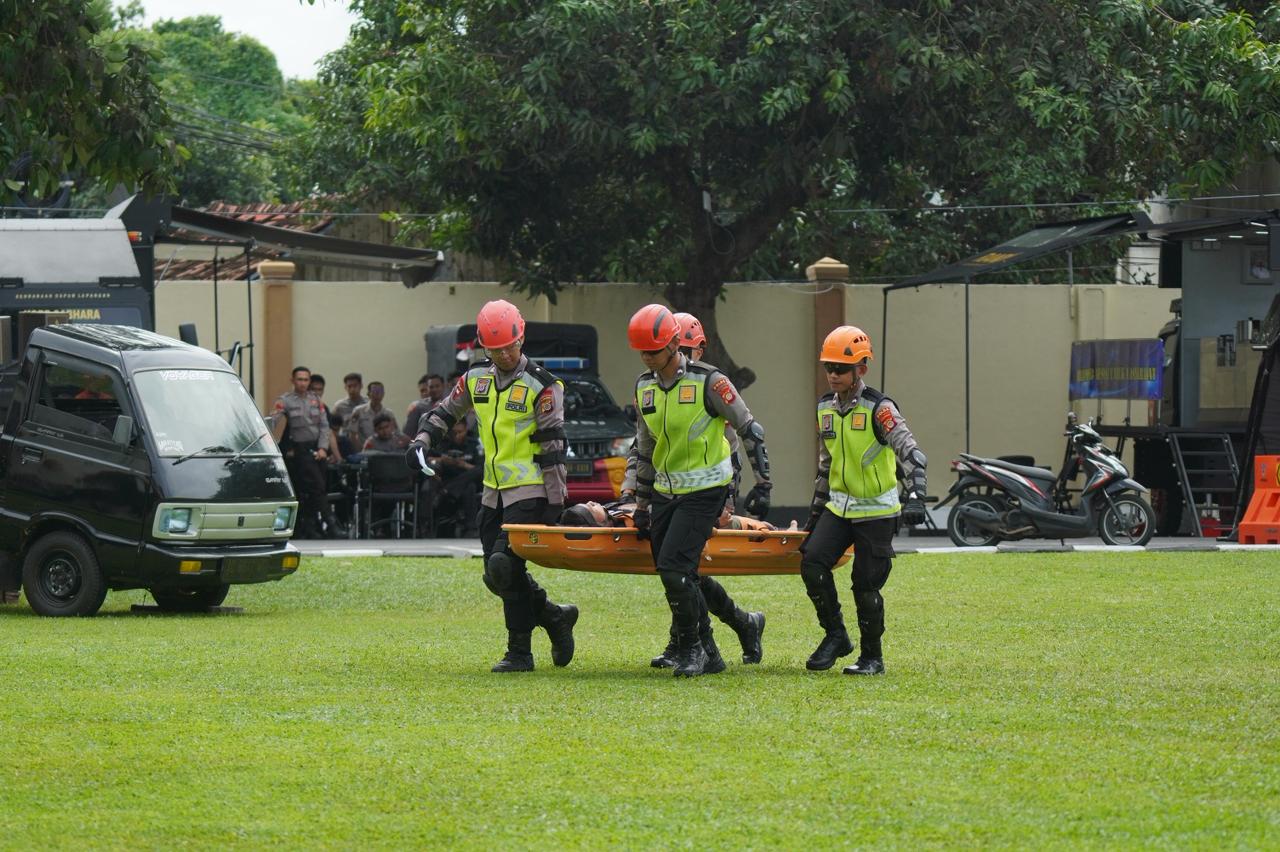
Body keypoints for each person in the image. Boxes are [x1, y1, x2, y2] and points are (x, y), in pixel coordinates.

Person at [408, 299, 578, 672]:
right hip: (492, 491)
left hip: (531, 490)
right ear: (484, 347)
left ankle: (519, 653)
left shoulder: (543, 385)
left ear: (521, 338)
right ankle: (554, 616)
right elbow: (444, 412)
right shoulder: (475, 379)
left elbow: (553, 447)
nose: (503, 354)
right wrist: (421, 440)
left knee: (504, 565)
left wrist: (556, 500)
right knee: (495, 575)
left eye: (509, 346)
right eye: (495, 348)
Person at [627, 303, 772, 677]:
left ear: (674, 345)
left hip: (706, 490)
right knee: (680, 572)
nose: (647, 358)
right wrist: (641, 504)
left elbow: (749, 429)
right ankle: (716, 645)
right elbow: (645, 447)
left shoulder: (710, 382)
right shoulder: (644, 387)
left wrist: (763, 484)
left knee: (675, 569)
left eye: (653, 350)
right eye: (642, 352)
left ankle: (692, 649)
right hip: (664, 492)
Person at [799, 326, 928, 676]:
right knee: (812, 563)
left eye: (841, 369)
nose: (833, 375)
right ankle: (836, 636)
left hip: (877, 511)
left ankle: (873, 657)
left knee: (865, 584)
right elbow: (826, 466)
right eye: (828, 367)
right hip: (838, 507)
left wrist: (916, 496)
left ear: (861, 369)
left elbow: (912, 454)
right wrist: (814, 515)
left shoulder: (880, 408)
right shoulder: (824, 408)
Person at [271, 366, 338, 539]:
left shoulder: (316, 400)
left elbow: (324, 426)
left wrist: (323, 448)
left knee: (314, 490)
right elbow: (273, 420)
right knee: (317, 487)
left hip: (318, 449)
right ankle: (332, 526)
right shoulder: (285, 400)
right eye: (299, 379)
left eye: (306, 380)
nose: (303, 383)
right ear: (293, 381)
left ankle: (311, 527)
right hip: (300, 450)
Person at [429, 419, 483, 537]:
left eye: (460, 432)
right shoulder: (443, 443)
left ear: (466, 430)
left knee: (474, 477)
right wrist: (443, 460)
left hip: (467, 477)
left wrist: (462, 464)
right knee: (469, 488)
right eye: (454, 432)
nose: (457, 435)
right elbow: (429, 458)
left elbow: (480, 468)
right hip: (449, 478)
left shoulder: (473, 444)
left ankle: (446, 491)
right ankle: (471, 528)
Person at [347, 381, 394, 449]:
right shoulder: (358, 411)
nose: (377, 394)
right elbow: (352, 435)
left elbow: (395, 433)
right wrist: (361, 451)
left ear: (383, 394)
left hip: (386, 451)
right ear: (368, 394)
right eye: (374, 391)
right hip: (365, 450)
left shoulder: (389, 413)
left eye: (380, 391)